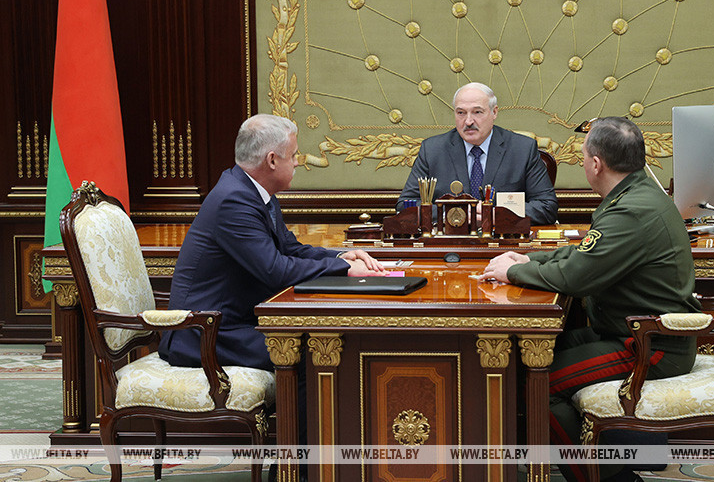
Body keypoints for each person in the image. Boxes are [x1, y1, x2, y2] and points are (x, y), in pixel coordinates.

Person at [480, 117, 701, 482]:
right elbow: (585, 253)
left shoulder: (631, 211)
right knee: (526, 360)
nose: (583, 163)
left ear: (596, 164)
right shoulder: (637, 194)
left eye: (583, 156)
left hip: (652, 345)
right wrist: (528, 260)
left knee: (539, 383)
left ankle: (604, 477)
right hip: (629, 331)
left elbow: (575, 276)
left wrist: (512, 273)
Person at [159, 114, 384, 370]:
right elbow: (275, 270)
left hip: (230, 325)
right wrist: (344, 270)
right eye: (294, 155)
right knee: (315, 353)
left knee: (327, 345)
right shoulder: (233, 201)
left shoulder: (253, 192)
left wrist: (340, 257)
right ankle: (296, 412)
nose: (298, 162)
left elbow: (291, 249)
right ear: (273, 160)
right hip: (205, 334)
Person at [396, 82, 558, 225]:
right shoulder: (432, 150)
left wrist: (495, 214)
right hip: (450, 243)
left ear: (494, 112)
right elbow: (405, 205)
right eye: (461, 113)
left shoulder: (522, 149)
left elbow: (546, 207)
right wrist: (452, 214)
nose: (468, 121)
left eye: (477, 112)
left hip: (505, 244)